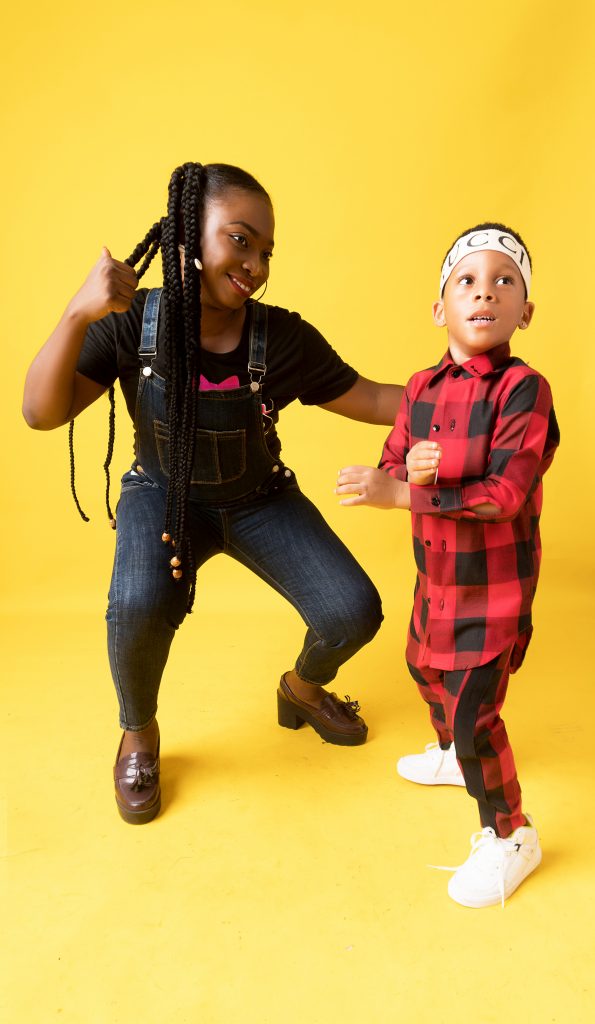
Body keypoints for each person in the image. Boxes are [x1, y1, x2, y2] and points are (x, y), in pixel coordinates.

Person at [23, 161, 404, 825]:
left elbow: (372, 398)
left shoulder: (280, 336)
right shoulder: (132, 324)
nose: (255, 264)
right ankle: (138, 733)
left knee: (353, 610)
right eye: (240, 240)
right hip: (162, 495)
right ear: (185, 237)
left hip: (260, 500)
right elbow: (40, 412)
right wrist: (78, 312)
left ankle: (301, 688)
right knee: (135, 605)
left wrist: (470, 394)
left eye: (266, 251)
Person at [336, 224, 559, 907]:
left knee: (475, 716)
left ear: (524, 311)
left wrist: (407, 492)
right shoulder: (420, 387)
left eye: (503, 282)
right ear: (440, 308)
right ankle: (450, 755)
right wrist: (407, 466)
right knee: (422, 668)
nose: (484, 293)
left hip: (492, 589)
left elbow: (504, 495)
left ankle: (511, 834)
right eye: (467, 280)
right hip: (435, 580)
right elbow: (392, 460)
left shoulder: (524, 389)